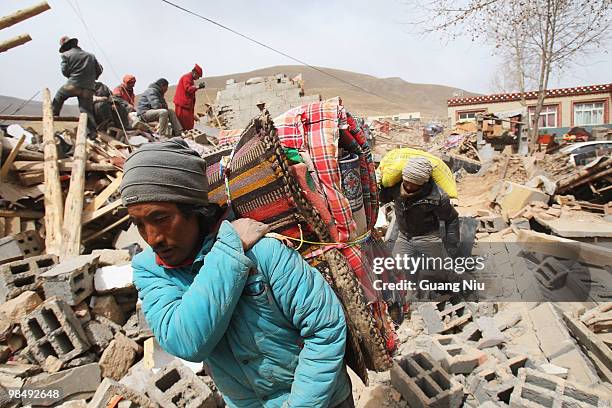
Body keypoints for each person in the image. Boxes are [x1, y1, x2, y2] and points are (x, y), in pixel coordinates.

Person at [119, 139, 354, 408]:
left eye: (161, 218)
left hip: (321, 400)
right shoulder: (150, 269)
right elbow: (185, 342)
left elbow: (325, 328)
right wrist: (229, 250)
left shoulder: (263, 251)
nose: (153, 238)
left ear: (194, 210)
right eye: (139, 224)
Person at [390, 157, 460, 292]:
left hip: (428, 237)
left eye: (414, 184)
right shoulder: (394, 188)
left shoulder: (437, 197)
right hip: (404, 237)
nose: (409, 187)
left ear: (423, 183)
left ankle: (465, 291)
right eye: (406, 182)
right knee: (393, 271)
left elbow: (451, 218)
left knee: (445, 271)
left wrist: (451, 244)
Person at [52, 36, 102, 138]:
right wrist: (91, 79)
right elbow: (99, 69)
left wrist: (74, 76)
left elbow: (65, 71)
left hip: (73, 84)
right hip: (88, 88)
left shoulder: (66, 55)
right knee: (86, 111)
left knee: (59, 97)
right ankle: (92, 133)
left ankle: (53, 117)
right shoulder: (90, 56)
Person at [173, 64, 205, 131]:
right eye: (198, 76)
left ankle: (187, 133)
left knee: (189, 123)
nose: (198, 78)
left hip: (187, 105)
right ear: (194, 73)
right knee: (183, 122)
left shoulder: (190, 79)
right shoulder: (186, 77)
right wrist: (198, 87)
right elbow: (188, 89)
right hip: (182, 104)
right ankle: (182, 134)